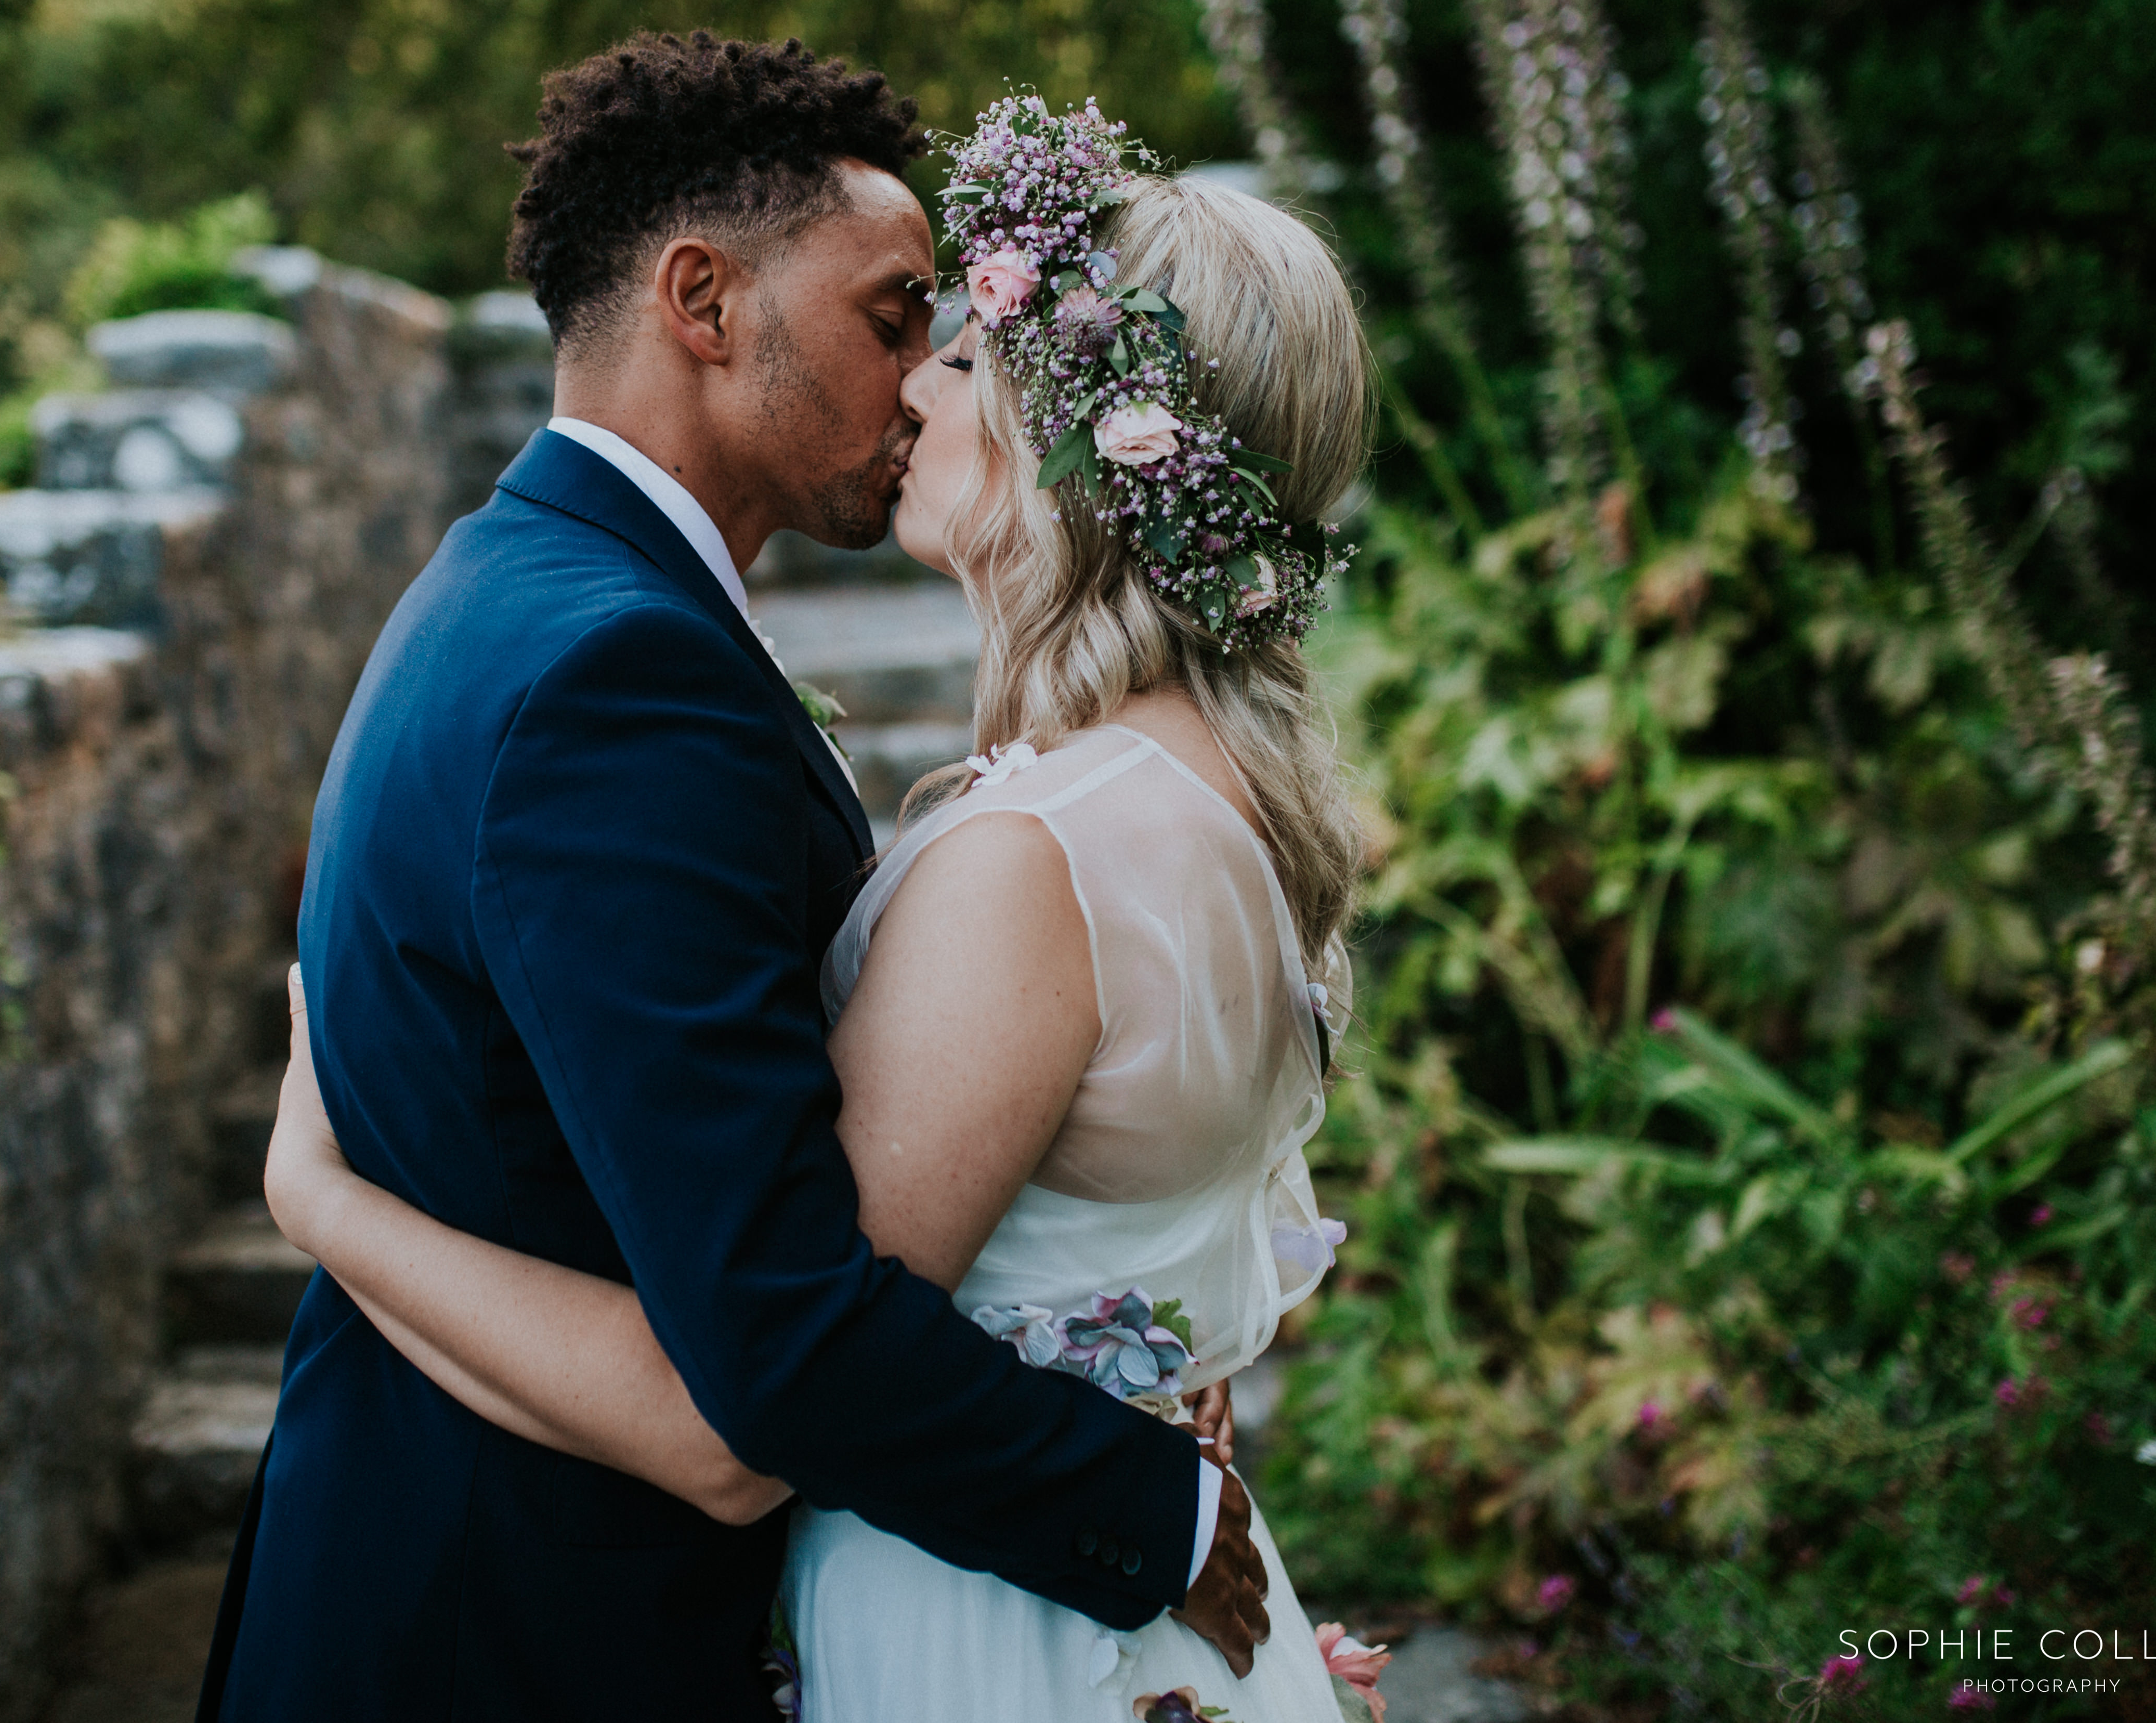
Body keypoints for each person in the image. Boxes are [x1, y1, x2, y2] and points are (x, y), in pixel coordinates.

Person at [257, 90, 1384, 1717]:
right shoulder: (623, 668)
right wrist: (1157, 1491)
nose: (920, 380)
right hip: (499, 1623)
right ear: (703, 303)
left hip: (964, 1621)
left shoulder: (550, 612)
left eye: (961, 345)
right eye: (895, 317)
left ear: (1093, 444)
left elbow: (770, 1368)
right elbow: (784, 1352)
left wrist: (316, 1192)